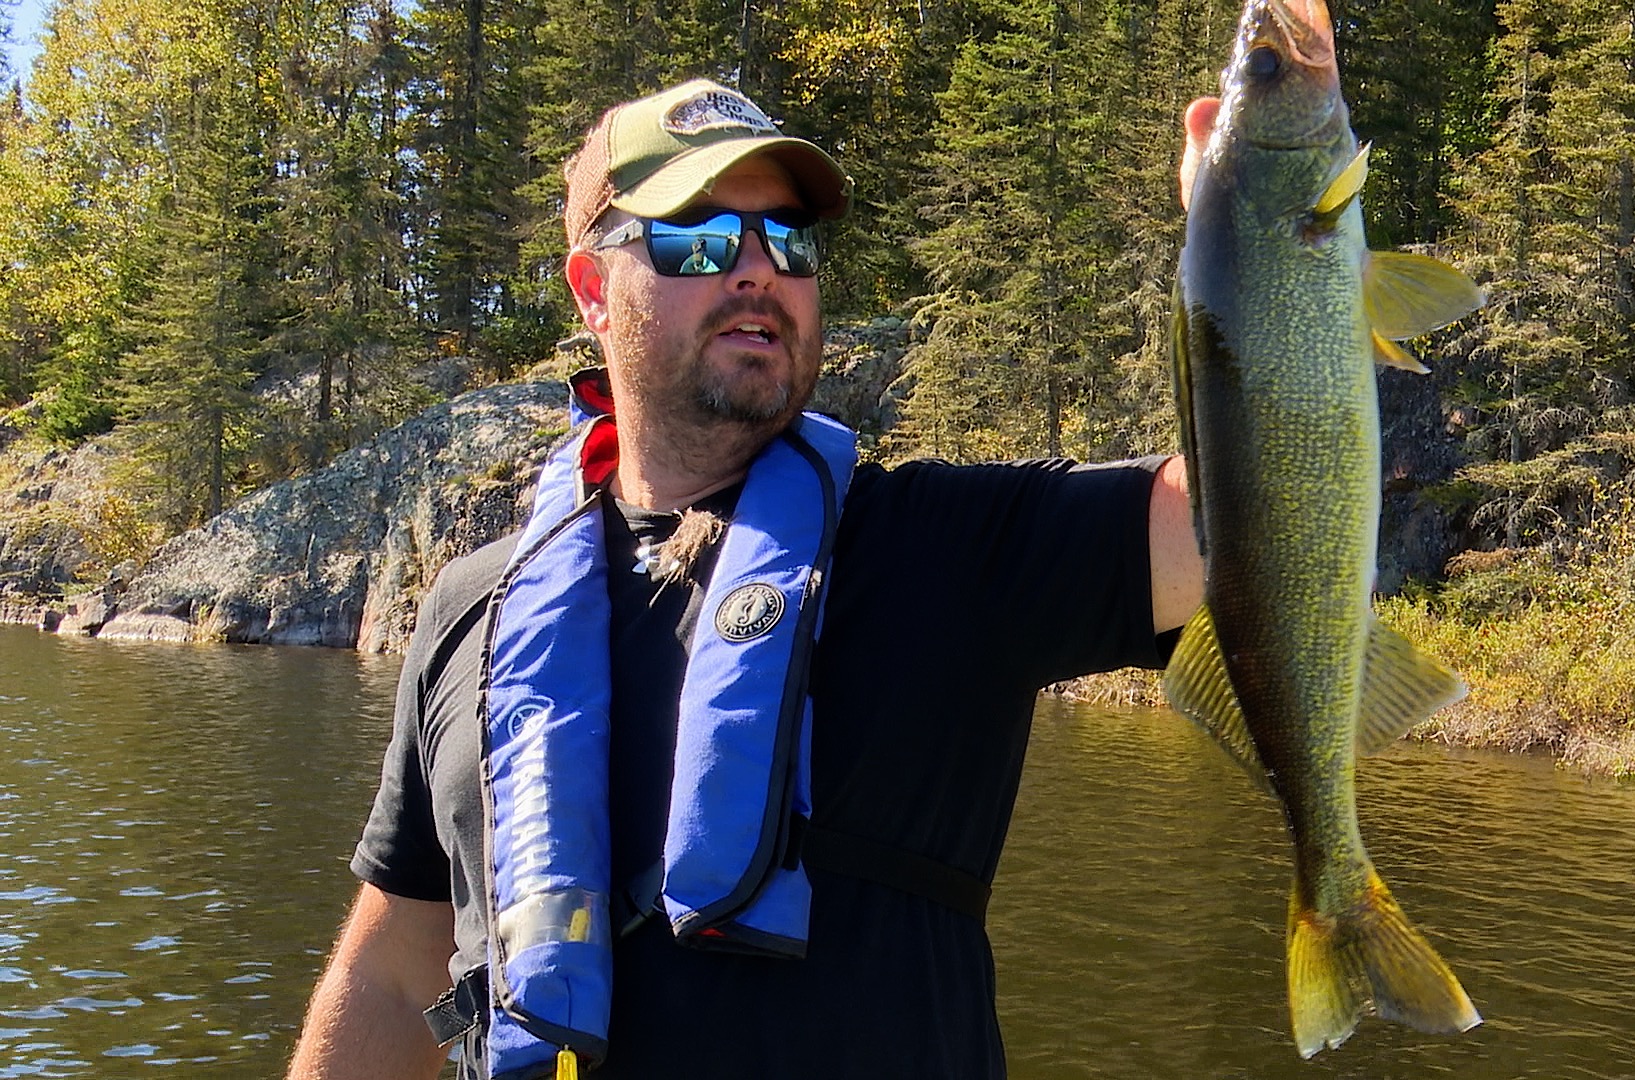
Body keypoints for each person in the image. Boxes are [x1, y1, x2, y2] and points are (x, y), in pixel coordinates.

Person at [287, 79, 1212, 1080]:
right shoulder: (478, 609)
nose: (759, 271)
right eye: (698, 237)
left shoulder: (947, 550)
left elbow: (1238, 527)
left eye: (789, 240)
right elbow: (393, 966)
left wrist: (1254, 240)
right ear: (592, 290)